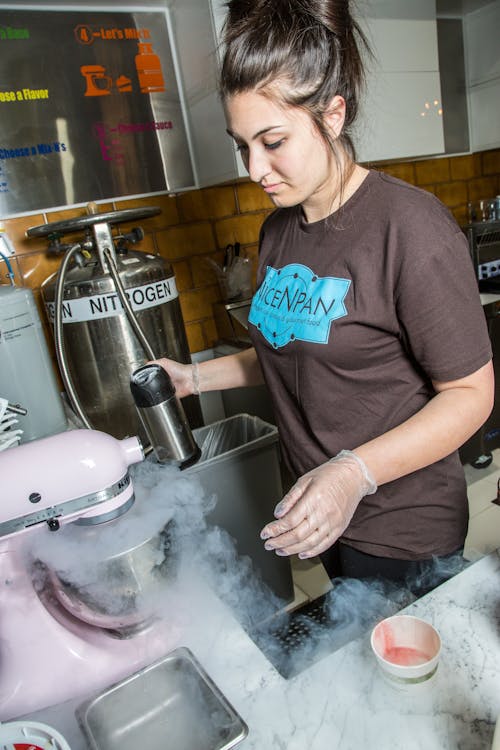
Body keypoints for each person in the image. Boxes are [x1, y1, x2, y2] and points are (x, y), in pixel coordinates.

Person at [156, 0, 494, 596]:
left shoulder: (408, 228)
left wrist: (353, 474)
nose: (255, 169)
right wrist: (193, 379)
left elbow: (470, 394)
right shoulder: (277, 230)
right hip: (322, 515)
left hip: (402, 526)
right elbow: (290, 345)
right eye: (243, 146)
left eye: (273, 140)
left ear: (332, 115)